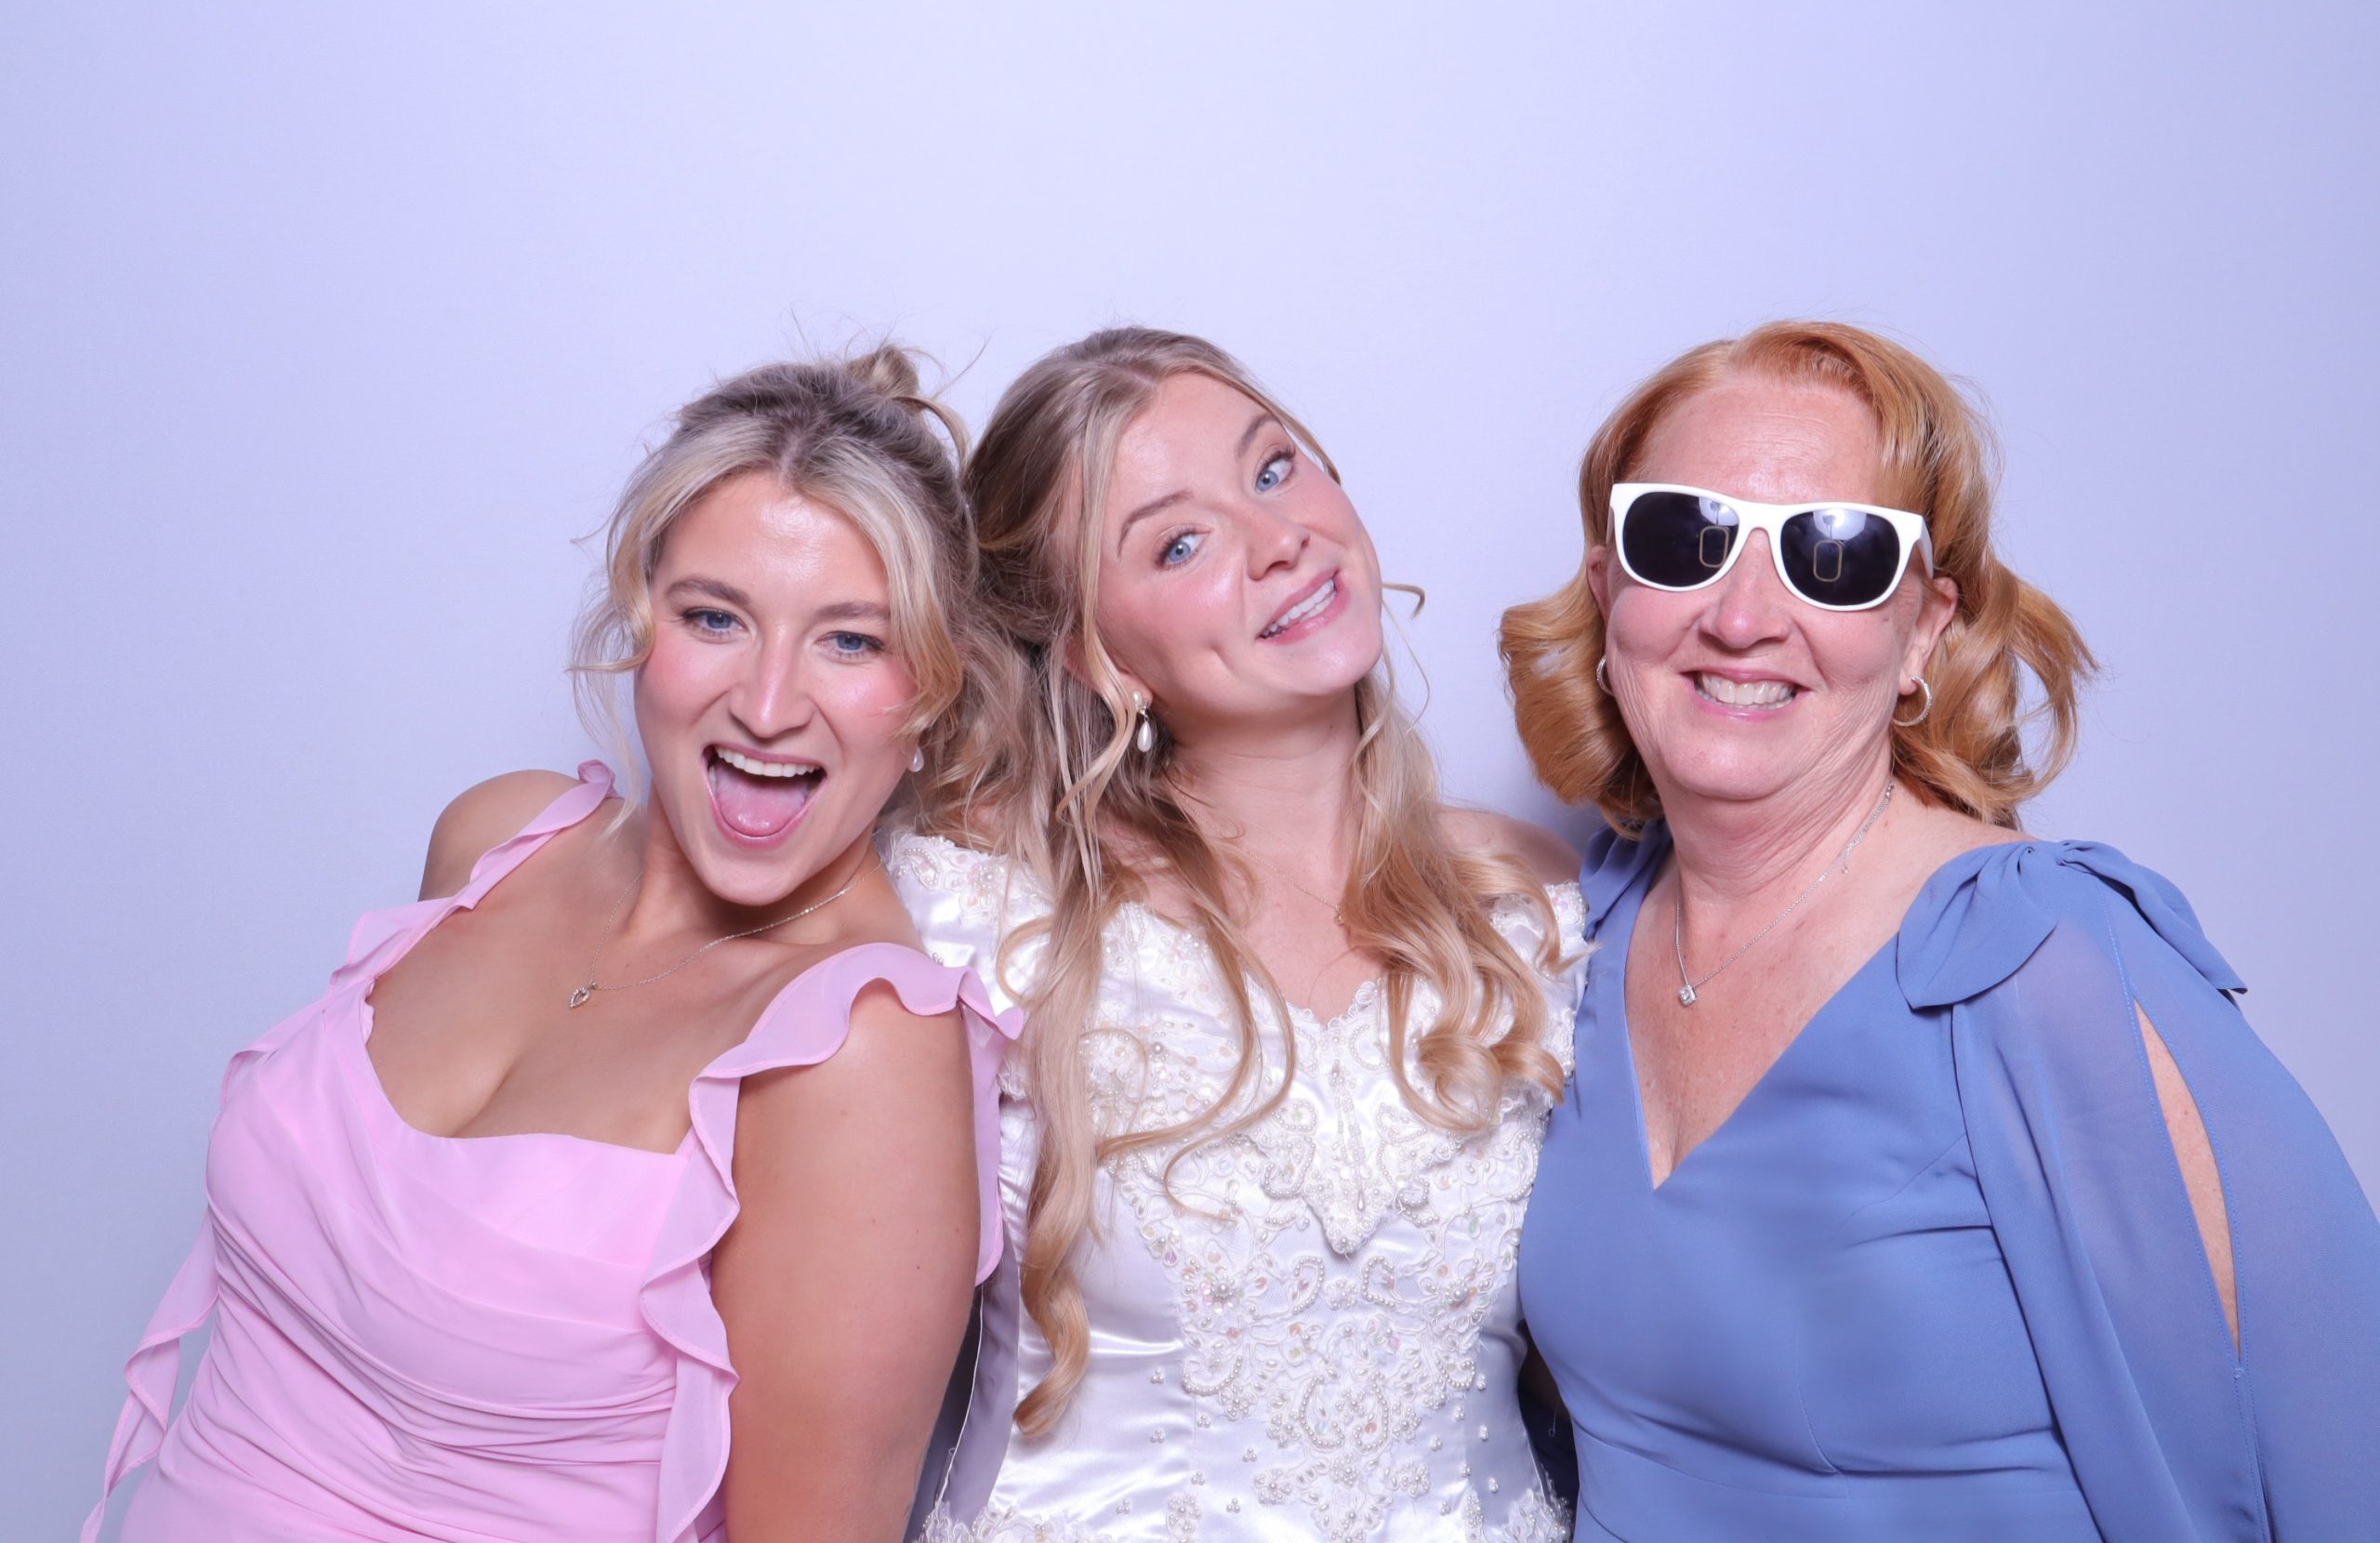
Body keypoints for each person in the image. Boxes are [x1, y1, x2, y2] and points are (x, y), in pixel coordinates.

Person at [84, 349, 1022, 1543]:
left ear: (933, 689)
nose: (771, 703)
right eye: (715, 618)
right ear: (641, 617)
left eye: (852, 642)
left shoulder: (858, 1055)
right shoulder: (496, 841)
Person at [1501, 320, 2380, 1541]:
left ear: (1921, 633)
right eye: (1684, 538)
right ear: (1609, 592)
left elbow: (2343, 1450)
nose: (1744, 616)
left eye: (1838, 557)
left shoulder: (2045, 960)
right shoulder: (1575, 946)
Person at [892, 327, 1588, 1543]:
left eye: (1274, 470)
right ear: (1092, 652)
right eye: (1179, 541)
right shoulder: (977, 917)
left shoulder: (1536, 906)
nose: (1281, 540)